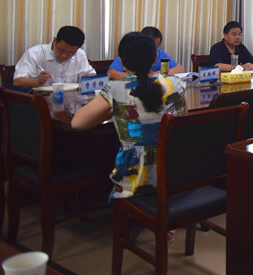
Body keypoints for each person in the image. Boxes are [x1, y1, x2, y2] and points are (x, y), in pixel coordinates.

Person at [72, 32, 186, 200]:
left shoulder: (116, 88)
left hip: (134, 180)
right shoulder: (176, 84)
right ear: (155, 58)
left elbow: (77, 123)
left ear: (121, 60)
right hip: (175, 172)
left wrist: (114, 109)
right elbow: (183, 121)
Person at [13, 25, 96, 87]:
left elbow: (90, 74)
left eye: (70, 53)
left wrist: (89, 80)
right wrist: (37, 81)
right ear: (54, 41)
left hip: (75, 103)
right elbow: (17, 81)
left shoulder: (80, 54)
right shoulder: (34, 53)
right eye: (61, 50)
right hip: (44, 103)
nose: (64, 55)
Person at [107, 26, 184, 79]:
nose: (152, 51)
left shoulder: (160, 53)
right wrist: (137, 77)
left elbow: (180, 69)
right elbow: (111, 73)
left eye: (155, 47)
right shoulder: (129, 53)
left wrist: (155, 74)